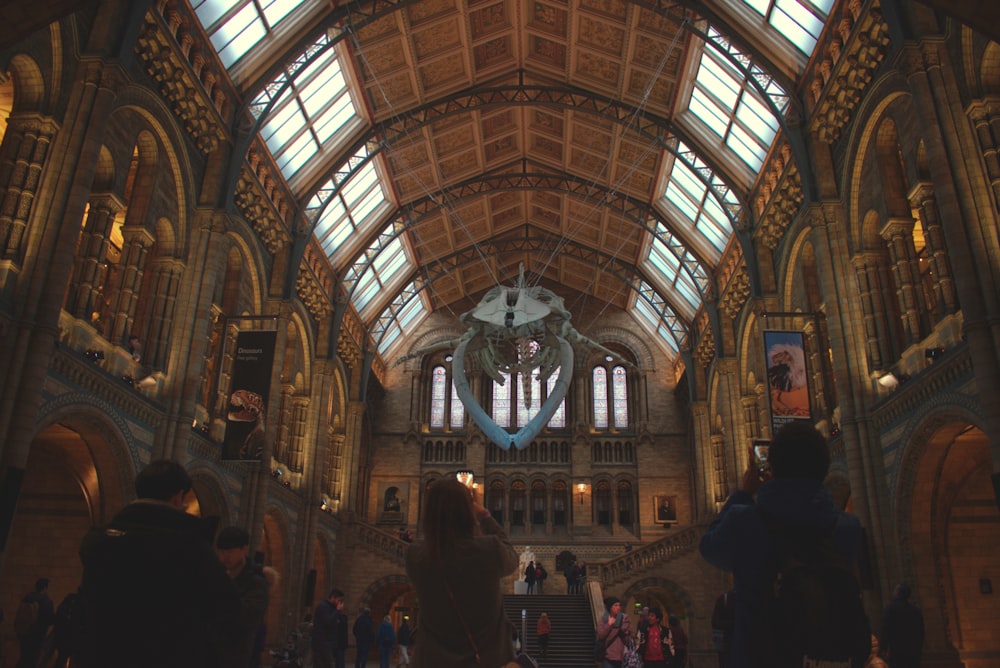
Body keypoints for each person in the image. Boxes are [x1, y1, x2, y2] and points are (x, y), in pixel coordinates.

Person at [698, 421, 866, 668]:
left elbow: (709, 547)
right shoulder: (849, 528)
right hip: (827, 657)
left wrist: (744, 493)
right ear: (823, 467)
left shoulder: (744, 522)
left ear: (773, 467)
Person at [75, 459, 242, 668]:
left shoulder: (98, 541)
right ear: (177, 496)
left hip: (99, 656)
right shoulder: (189, 548)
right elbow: (229, 611)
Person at [404, 477, 519, 666]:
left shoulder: (415, 556)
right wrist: (483, 516)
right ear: (467, 511)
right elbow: (512, 558)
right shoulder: (489, 550)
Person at [216, 526, 270, 668]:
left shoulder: (256, 583)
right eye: (221, 552)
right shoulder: (216, 575)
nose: (225, 557)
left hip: (239, 657)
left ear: (244, 550)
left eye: (230, 552)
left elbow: (248, 617)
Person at [880, 584, 924, 668]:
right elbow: (921, 631)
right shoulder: (915, 610)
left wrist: (884, 647)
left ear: (897, 593)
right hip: (913, 649)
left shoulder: (890, 609)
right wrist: (919, 647)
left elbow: (886, 629)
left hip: (897, 649)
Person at [15, 577, 55, 668]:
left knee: (24, 657)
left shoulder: (27, 597)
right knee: (33, 659)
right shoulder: (46, 601)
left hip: (23, 631)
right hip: (37, 634)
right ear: (45, 588)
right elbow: (50, 619)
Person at [312, 588, 347, 668]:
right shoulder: (323, 607)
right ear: (333, 597)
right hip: (322, 643)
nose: (340, 603)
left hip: (328, 643)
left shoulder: (332, 608)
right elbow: (328, 621)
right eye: (339, 600)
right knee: (327, 665)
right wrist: (337, 611)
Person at [597, 596, 633, 668]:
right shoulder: (604, 619)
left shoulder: (624, 618)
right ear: (610, 607)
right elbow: (601, 635)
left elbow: (628, 635)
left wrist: (623, 625)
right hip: (607, 655)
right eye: (615, 605)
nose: (618, 607)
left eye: (619, 605)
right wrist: (609, 625)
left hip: (621, 655)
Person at [51, 588, 80, 668]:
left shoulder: (62, 608)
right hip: (66, 641)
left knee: (61, 659)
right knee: (62, 659)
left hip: (61, 640)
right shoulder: (69, 611)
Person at [710, 588, 735, 668]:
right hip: (728, 642)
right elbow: (715, 622)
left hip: (727, 643)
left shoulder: (724, 598)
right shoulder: (724, 599)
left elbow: (715, 622)